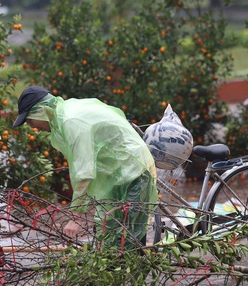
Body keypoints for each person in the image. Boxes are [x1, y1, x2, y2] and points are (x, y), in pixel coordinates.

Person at [12, 86, 158, 249]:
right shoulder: (64, 114)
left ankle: (134, 271)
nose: (32, 127)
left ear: (40, 111)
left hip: (134, 170)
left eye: (29, 120)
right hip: (117, 173)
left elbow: (84, 173)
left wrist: (76, 217)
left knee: (130, 239)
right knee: (109, 233)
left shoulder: (71, 121)